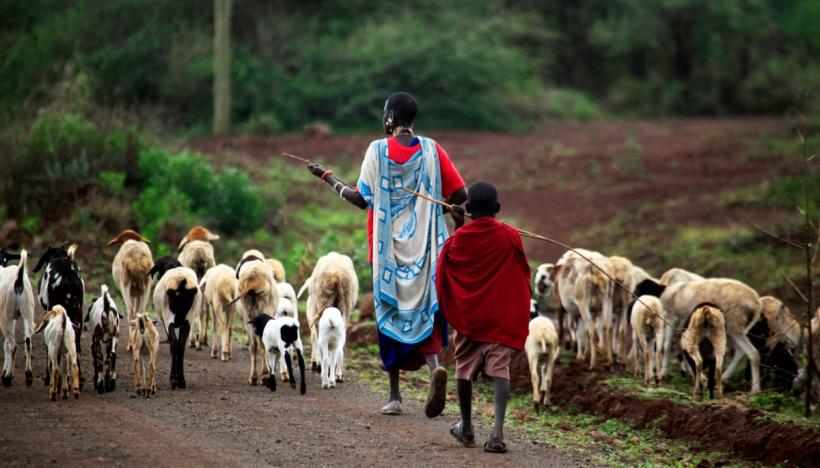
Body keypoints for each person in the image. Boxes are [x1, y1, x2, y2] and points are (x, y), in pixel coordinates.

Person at [306, 92, 467, 417]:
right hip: (426, 254)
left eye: (385, 114)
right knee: (424, 312)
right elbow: (460, 194)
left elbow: (361, 198)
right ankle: (434, 366)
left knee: (390, 315)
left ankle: (395, 397)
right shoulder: (433, 151)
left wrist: (328, 178)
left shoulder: (377, 151)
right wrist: (452, 209)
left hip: (387, 256)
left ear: (391, 119)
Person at [435, 180, 531, 453]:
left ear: (466, 209)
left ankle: (466, 428)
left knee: (463, 369)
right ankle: (497, 433)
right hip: (500, 318)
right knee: (501, 371)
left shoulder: (459, 239)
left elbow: (446, 267)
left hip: (470, 319)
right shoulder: (511, 235)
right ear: (498, 208)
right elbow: (523, 273)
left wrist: (458, 226)